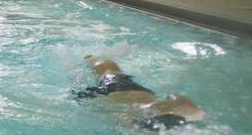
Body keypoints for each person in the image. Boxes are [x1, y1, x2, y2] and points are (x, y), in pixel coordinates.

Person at [75, 56, 205, 130]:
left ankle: (91, 58)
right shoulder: (179, 109)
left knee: (107, 69)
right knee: (106, 69)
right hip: (122, 91)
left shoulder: (138, 118)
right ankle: (91, 58)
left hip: (122, 94)